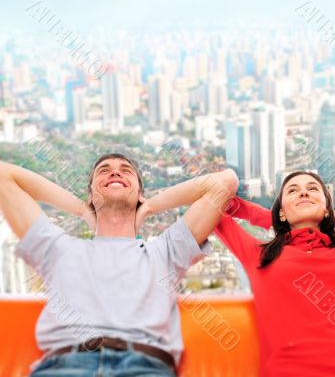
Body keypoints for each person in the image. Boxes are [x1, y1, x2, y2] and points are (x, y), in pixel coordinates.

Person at [0, 153, 238, 376]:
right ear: (91, 196)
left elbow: (224, 182)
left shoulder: (165, 252)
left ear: (139, 195)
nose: (115, 173)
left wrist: (150, 206)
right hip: (66, 367)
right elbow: (4, 175)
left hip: (144, 366)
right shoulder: (60, 249)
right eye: (104, 171)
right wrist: (82, 209)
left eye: (126, 171)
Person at [215, 170, 335, 377]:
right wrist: (272, 219)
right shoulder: (259, 256)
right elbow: (213, 204)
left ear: (327, 208)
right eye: (293, 191)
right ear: (281, 211)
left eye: (312, 189)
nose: (303, 193)